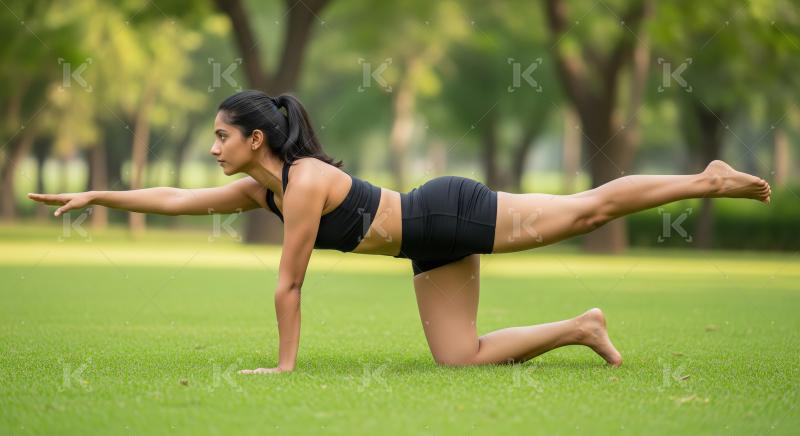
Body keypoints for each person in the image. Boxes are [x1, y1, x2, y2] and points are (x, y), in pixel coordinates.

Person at [27, 90, 772, 374]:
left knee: (587, 210)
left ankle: (705, 177)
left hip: (444, 210)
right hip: (427, 243)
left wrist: (284, 369)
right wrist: (97, 192)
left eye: (223, 137)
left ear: (258, 139)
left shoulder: (306, 184)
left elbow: (289, 283)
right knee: (458, 357)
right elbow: (175, 197)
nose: (214, 150)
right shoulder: (265, 191)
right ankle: (582, 326)